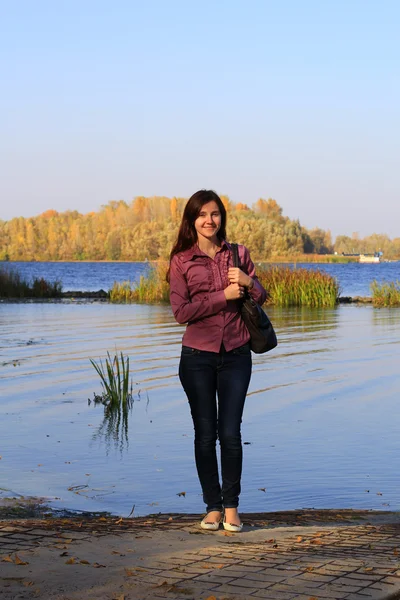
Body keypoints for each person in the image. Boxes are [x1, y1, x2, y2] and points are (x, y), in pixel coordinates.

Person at [168, 190, 267, 532]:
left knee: (231, 433)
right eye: (202, 215)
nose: (209, 220)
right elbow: (181, 312)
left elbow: (262, 295)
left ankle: (232, 507)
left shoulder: (238, 254)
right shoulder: (181, 260)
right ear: (191, 220)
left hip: (237, 355)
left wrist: (249, 282)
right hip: (197, 357)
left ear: (222, 217)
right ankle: (212, 506)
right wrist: (220, 296)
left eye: (215, 214)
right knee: (204, 434)